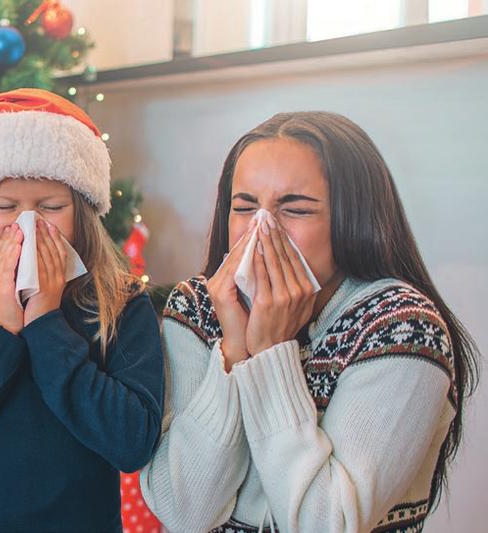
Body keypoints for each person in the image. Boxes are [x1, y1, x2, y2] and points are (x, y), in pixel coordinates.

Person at [142, 111, 479, 532]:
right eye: (245, 207)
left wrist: (269, 353)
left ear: (352, 219)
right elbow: (184, 512)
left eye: (295, 210)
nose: (261, 231)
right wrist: (232, 352)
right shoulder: (198, 308)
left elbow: (325, 523)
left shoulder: (401, 326)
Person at [0, 89, 165, 532]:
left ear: (82, 213)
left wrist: (46, 324)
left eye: (51, 207)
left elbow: (133, 442)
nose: (27, 224)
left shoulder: (122, 305)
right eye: (6, 207)